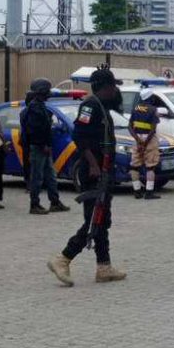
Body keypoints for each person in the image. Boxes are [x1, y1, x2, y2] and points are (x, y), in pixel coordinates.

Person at [47, 66, 127, 287]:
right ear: (106, 87)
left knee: (102, 219)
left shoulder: (102, 107)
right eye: (113, 86)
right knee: (94, 221)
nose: (115, 91)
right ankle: (63, 258)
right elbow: (79, 137)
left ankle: (104, 267)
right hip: (93, 172)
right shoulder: (90, 106)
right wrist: (93, 165)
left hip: (103, 171)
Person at [24, 78, 70, 215]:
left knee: (50, 176)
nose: (49, 94)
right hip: (39, 147)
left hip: (44, 147)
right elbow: (36, 130)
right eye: (47, 91)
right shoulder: (34, 108)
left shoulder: (41, 106)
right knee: (37, 177)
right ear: (42, 92)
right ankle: (34, 204)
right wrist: (44, 144)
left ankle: (55, 202)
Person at [128, 89, 161, 200]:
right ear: (150, 98)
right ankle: (149, 193)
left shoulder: (135, 109)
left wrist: (138, 140)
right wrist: (145, 143)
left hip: (137, 138)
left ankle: (137, 192)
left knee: (134, 166)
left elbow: (129, 127)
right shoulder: (153, 109)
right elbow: (153, 129)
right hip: (149, 140)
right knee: (150, 166)